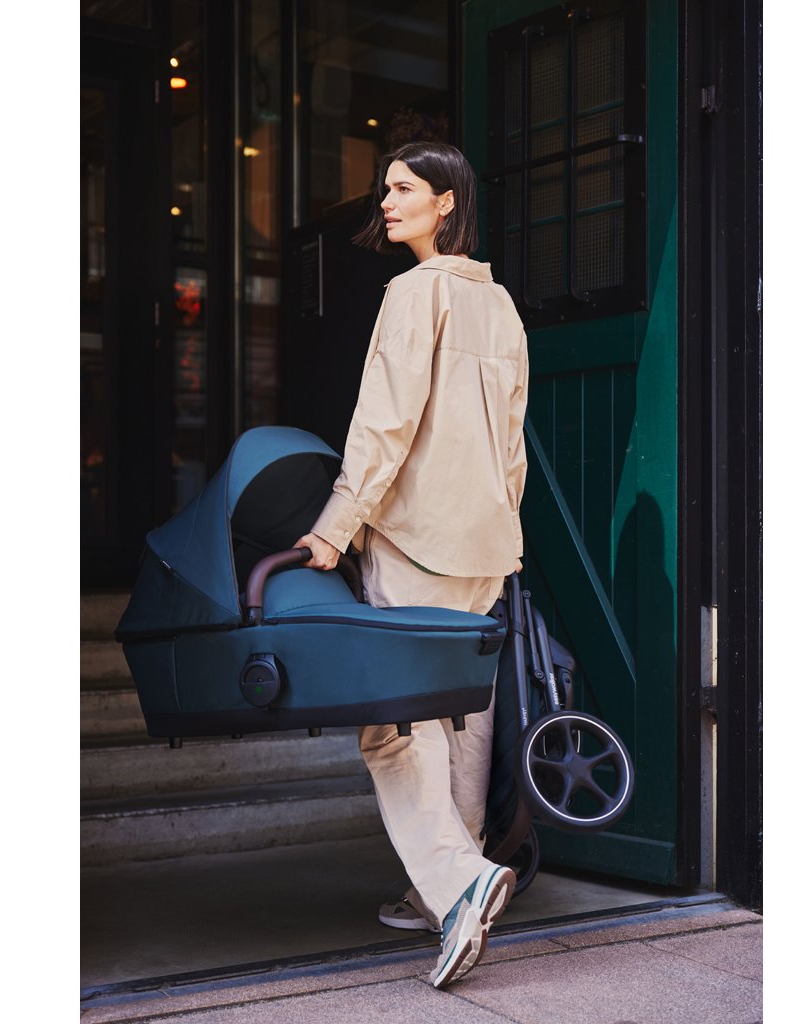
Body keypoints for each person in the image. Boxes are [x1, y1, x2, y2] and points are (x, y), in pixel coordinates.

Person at [295, 140, 529, 989]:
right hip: (485, 542)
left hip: (418, 537)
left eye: (403, 188)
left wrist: (336, 526)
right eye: (385, 188)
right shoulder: (499, 303)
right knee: (460, 717)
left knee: (392, 727)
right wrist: (503, 526)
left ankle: (458, 883)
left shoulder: (413, 291)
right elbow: (513, 442)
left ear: (446, 201)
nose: (387, 201)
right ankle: (448, 891)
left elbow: (383, 425)